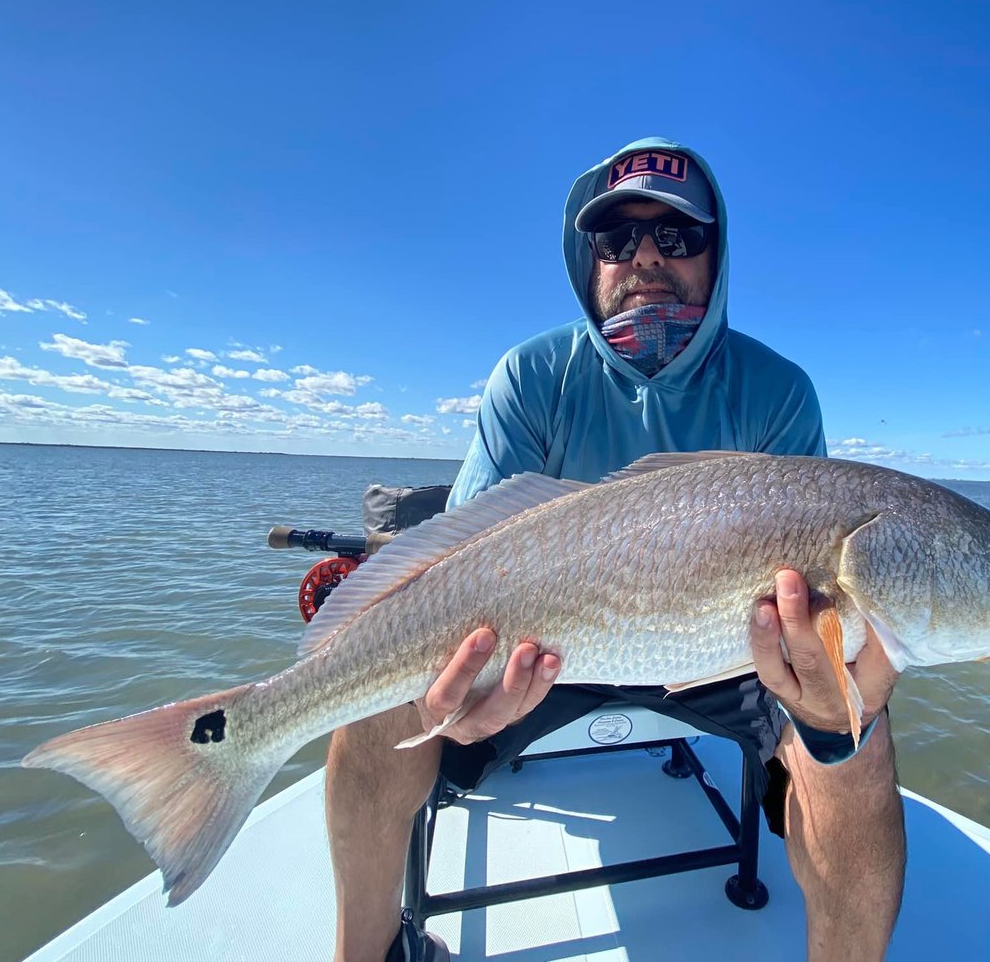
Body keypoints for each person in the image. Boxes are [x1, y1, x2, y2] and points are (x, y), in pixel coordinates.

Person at [325, 138, 906, 962]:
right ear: (585, 257)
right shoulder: (530, 377)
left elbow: (812, 573)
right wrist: (450, 681)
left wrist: (830, 703)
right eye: (615, 239)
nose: (642, 259)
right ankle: (364, 953)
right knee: (370, 696)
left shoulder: (776, 392)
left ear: (718, 254)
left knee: (852, 734)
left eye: (676, 237)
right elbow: (458, 562)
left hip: (728, 654)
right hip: (537, 655)